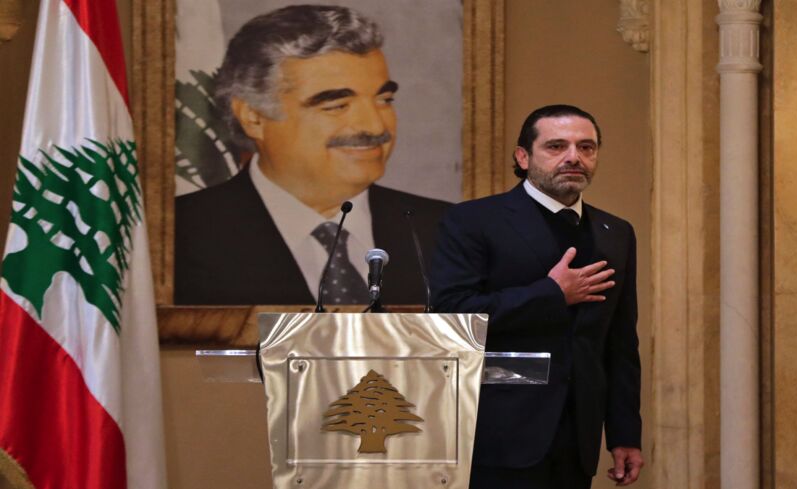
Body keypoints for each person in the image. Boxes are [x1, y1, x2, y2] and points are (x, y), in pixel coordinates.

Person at [174, 5, 449, 305]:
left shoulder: (444, 229)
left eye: (384, 100)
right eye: (336, 105)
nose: (375, 125)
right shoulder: (180, 234)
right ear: (253, 117)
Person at [430, 105, 643, 488]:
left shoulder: (616, 232)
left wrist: (624, 433)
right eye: (556, 146)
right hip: (498, 431)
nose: (574, 157)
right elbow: (452, 314)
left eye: (587, 147)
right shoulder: (473, 221)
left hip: (579, 434)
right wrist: (552, 294)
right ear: (523, 157)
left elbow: (620, 343)